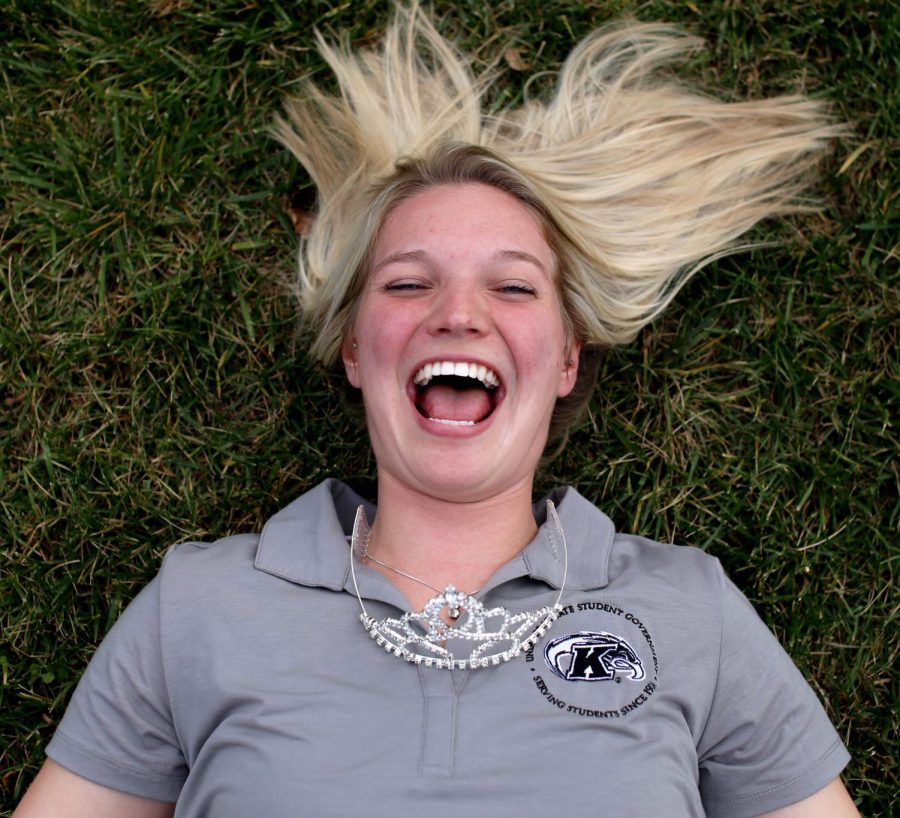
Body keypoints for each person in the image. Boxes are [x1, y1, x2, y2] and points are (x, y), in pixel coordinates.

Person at [14, 5, 859, 817]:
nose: (459, 314)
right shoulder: (198, 606)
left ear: (567, 358)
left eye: (514, 286)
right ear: (354, 347)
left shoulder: (692, 611)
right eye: (409, 283)